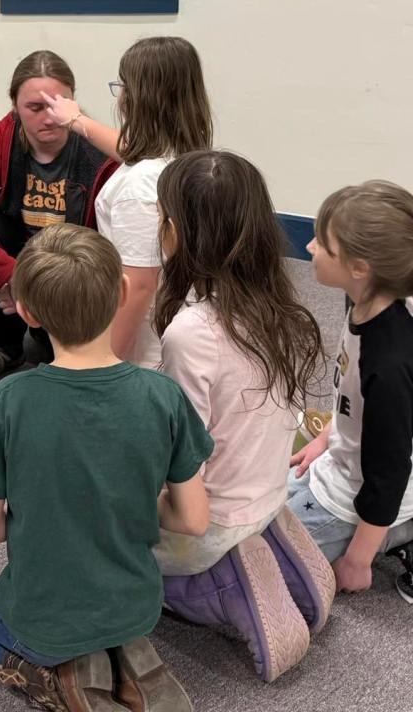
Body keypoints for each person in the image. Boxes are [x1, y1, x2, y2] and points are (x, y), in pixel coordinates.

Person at [0, 224, 213, 712]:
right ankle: (119, 652)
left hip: (44, 616)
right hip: (136, 606)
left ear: (26, 312)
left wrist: (43, 509)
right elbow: (194, 520)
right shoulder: (163, 395)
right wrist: (129, 500)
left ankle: (58, 678)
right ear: (122, 292)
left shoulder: (10, 399)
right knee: (99, 613)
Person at [152, 151, 335, 682]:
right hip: (268, 494)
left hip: (207, 524)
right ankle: (267, 546)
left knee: (95, 518)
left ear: (177, 230)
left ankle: (220, 583)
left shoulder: (190, 334)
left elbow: (183, 460)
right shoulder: (282, 309)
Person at [0, 50, 117, 384]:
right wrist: (13, 278)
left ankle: (61, 338)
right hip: (18, 267)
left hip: (72, 271)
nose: (49, 118)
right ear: (15, 106)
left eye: (58, 105)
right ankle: (2, 345)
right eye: (35, 107)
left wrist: (43, 292)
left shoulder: (97, 151)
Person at [41, 36, 213, 367]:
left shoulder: (139, 186)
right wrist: (76, 120)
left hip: (145, 348)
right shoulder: (190, 159)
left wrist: (104, 366)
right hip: (182, 323)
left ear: (135, 97)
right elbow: (134, 148)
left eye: (122, 86)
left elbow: (140, 287)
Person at [288, 180, 413, 599]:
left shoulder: (389, 364)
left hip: (367, 494)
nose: (309, 248)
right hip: (347, 463)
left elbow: (389, 474)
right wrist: (327, 436)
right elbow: (353, 401)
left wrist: (358, 561)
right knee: (253, 511)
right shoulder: (361, 298)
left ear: (360, 268)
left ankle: (398, 532)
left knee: (258, 566)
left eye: (323, 244)